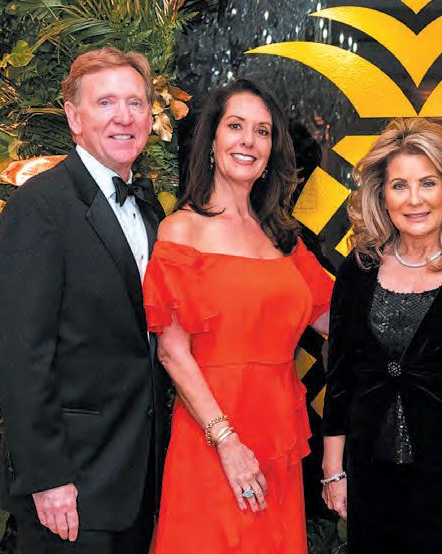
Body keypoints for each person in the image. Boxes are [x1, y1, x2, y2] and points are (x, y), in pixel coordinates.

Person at [0, 47, 168, 552]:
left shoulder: (150, 211)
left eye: (135, 103)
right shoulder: (39, 205)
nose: (123, 117)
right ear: (74, 117)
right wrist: (47, 477)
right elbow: (19, 353)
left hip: (135, 481)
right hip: (68, 489)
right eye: (105, 102)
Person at [142, 79, 332, 553]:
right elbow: (172, 352)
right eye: (235, 126)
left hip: (279, 435)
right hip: (212, 435)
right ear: (212, 140)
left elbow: (340, 322)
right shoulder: (181, 229)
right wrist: (226, 442)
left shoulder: (285, 238)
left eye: (262, 131)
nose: (248, 140)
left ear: (271, 151)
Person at [320, 118, 442, 553]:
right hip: (369, 482)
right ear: (381, 195)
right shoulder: (358, 268)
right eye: (399, 186)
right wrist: (334, 472)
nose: (414, 200)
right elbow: (341, 379)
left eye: (428, 183)